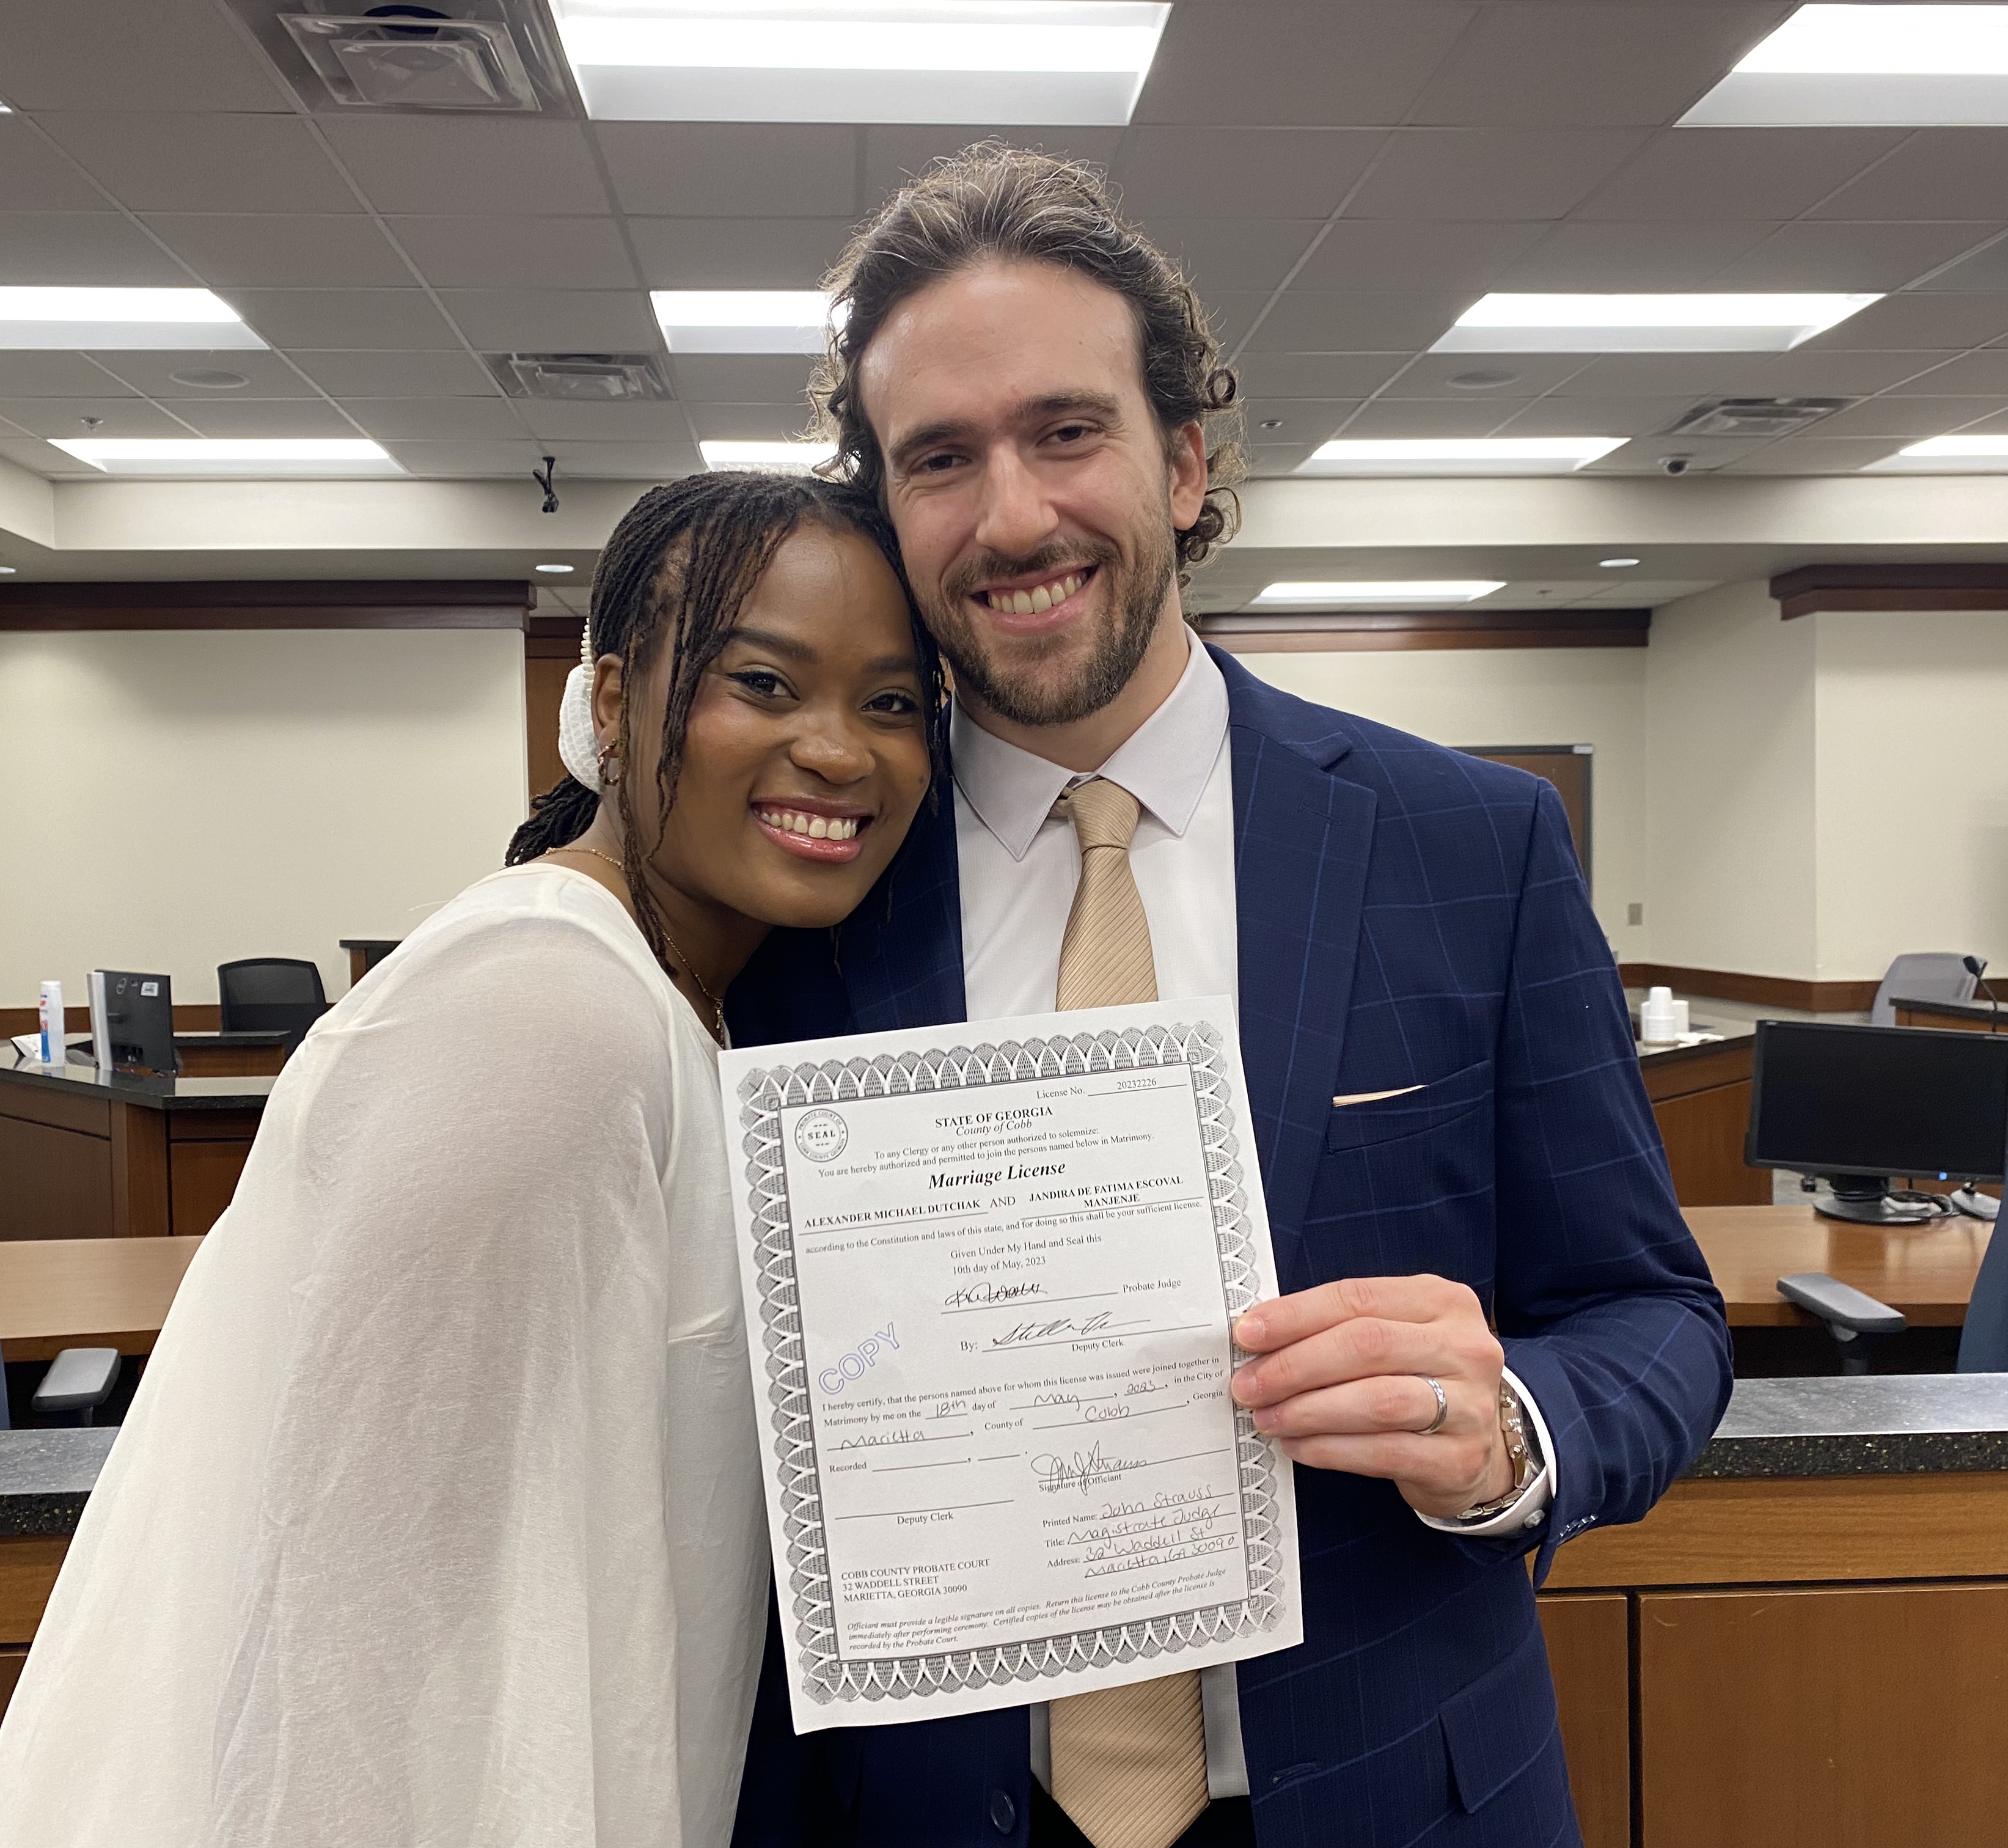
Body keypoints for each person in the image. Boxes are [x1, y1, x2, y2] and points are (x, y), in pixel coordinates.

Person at [728, 148, 1733, 1848]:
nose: (1014, 517)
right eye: (941, 459)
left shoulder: (1469, 845)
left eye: (1068, 431)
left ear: (1186, 461)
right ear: (886, 514)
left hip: (1395, 1799)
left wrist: (1509, 1431)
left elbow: (1655, 1316)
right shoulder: (801, 899)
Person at [0, 471, 945, 1848]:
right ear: (613, 704)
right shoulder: (543, 1012)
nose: (839, 751)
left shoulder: (672, 1001)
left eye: (892, 703)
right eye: (764, 684)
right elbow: (374, 1655)